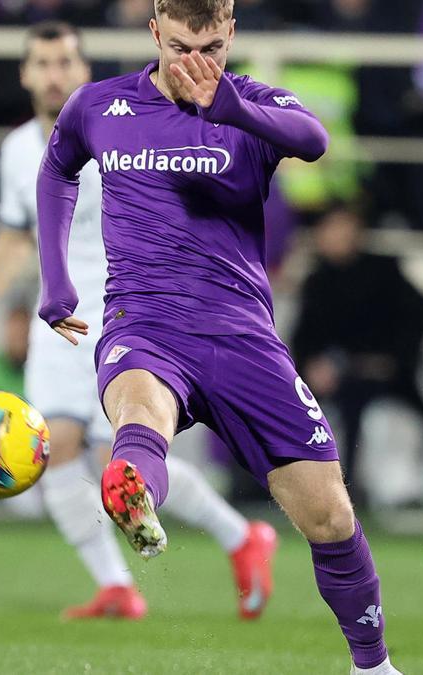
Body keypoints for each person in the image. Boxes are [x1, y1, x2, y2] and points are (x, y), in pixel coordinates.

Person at [35, 2, 397, 672]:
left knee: (330, 516)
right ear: (154, 33)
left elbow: (313, 139)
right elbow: (57, 168)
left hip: (241, 337)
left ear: (229, 35)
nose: (194, 62)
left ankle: (372, 665)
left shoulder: (253, 103)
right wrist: (55, 281)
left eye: (210, 47)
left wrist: (229, 103)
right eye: (178, 46)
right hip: (142, 322)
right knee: (140, 414)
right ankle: (133, 491)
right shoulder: (100, 106)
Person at [0, 20, 276, 621]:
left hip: (130, 310)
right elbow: (15, 236)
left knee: (119, 461)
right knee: (56, 451)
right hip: (59, 323)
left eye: (65, 63)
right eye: (43, 64)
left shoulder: (118, 127)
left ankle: (240, 535)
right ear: (26, 74)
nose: (55, 75)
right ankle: (116, 586)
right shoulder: (17, 150)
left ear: (83, 70)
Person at [293, 205, 423, 507]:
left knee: (381, 422)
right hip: (335, 384)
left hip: (386, 382)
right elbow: (302, 342)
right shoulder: (317, 283)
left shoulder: (385, 273)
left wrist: (390, 360)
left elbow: (420, 316)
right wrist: (311, 367)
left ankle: (390, 492)